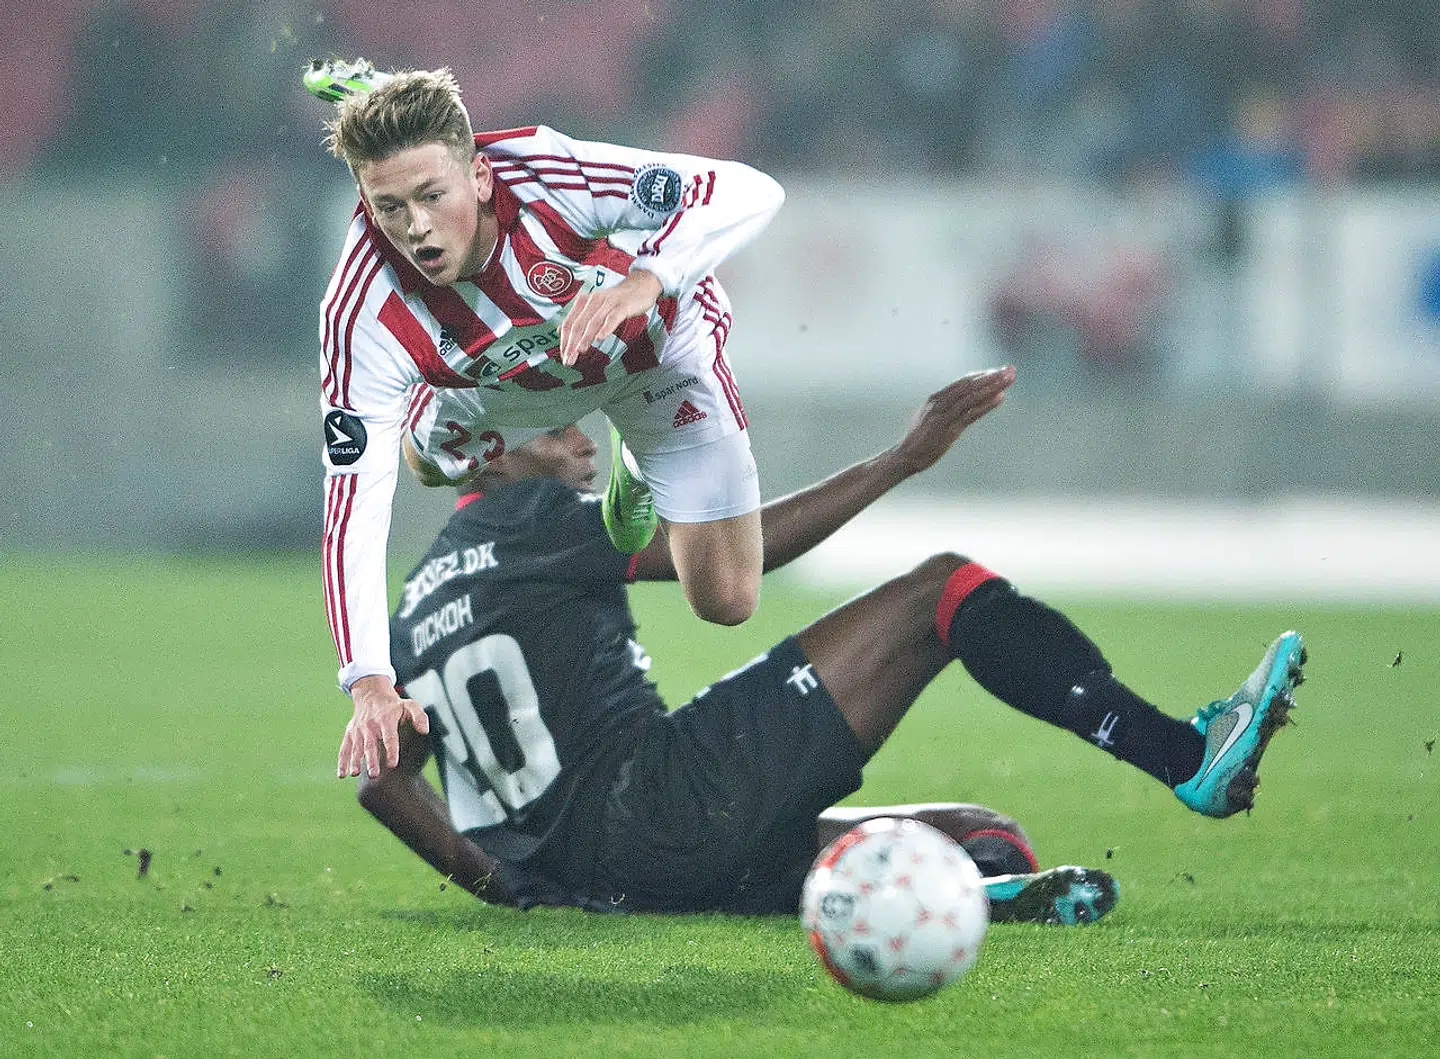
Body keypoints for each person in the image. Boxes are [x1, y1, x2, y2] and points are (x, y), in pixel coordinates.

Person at [355, 366, 1307, 921]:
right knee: (943, 591)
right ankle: (1189, 755)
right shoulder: (538, 516)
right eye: (554, 419)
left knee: (982, 837)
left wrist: (507, 888)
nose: (581, 435)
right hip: (666, 804)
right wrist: (899, 460)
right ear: (490, 451)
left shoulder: (421, 595)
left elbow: (383, 779)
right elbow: (738, 557)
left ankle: (976, 902)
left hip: (616, 871)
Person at [304, 60, 786, 781]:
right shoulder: (359, 308)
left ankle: (635, 463)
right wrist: (368, 677)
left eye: (432, 195)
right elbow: (353, 501)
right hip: (505, 383)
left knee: (726, 600)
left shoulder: (554, 173)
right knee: (423, 461)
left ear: (481, 177)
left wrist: (650, 276)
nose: (417, 227)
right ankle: (376, 102)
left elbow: (750, 189)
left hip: (649, 351)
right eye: (390, 206)